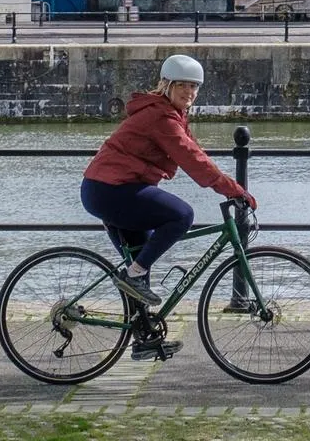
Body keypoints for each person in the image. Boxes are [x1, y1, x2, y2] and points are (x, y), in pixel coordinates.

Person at [80, 54, 256, 359]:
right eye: (183, 85)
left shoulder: (171, 114)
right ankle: (133, 276)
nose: (189, 92)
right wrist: (235, 189)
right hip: (111, 189)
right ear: (167, 85)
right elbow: (192, 160)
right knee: (181, 215)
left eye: (194, 87)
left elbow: (194, 151)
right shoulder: (161, 117)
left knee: (141, 260)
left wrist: (224, 181)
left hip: (109, 188)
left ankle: (144, 339)